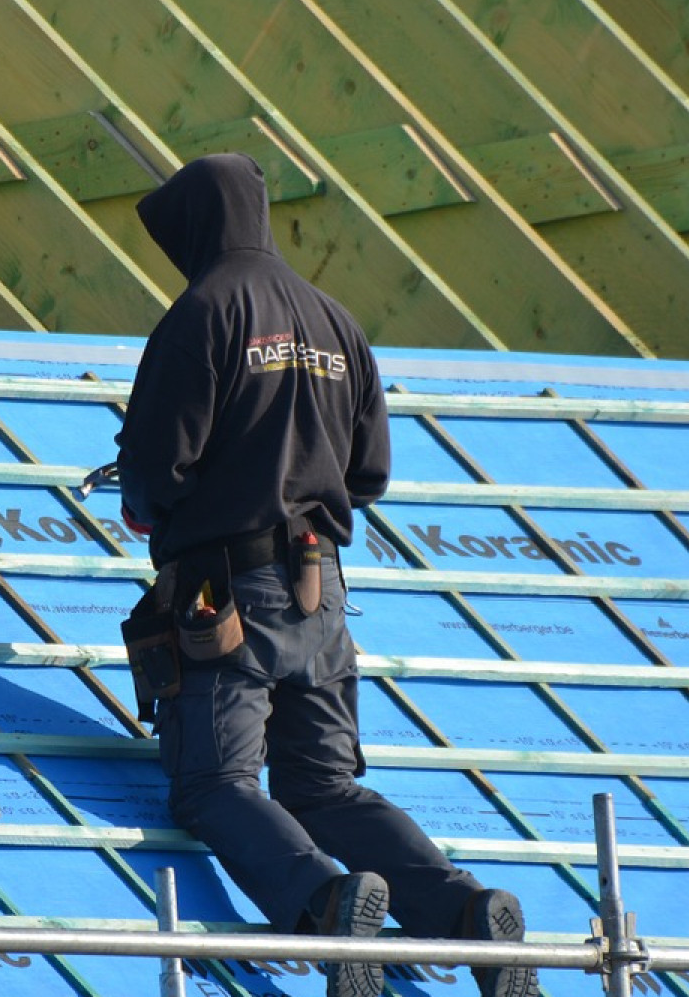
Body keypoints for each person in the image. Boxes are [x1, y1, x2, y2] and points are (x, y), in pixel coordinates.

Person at [114, 154, 537, 997]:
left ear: (200, 225)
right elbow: (369, 473)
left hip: (226, 596)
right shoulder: (337, 322)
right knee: (324, 786)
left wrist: (161, 500)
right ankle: (463, 909)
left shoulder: (203, 312)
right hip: (324, 593)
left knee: (215, 785)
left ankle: (326, 900)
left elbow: (156, 474)